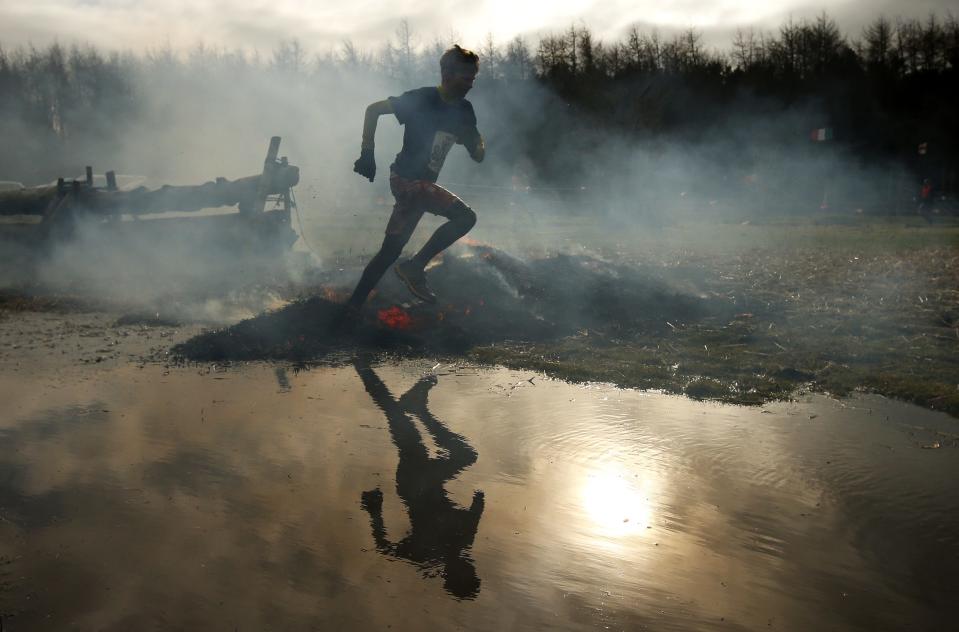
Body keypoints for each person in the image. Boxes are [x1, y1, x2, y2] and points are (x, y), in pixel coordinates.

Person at [345, 45, 485, 311]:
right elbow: (373, 110)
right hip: (406, 181)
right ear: (446, 73)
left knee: (389, 252)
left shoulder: (465, 110)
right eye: (465, 78)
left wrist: (475, 144)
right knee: (466, 217)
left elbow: (478, 153)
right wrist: (367, 153)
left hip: (423, 187)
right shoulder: (422, 99)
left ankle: (351, 309)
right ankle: (414, 267)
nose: (470, 84)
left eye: (473, 79)